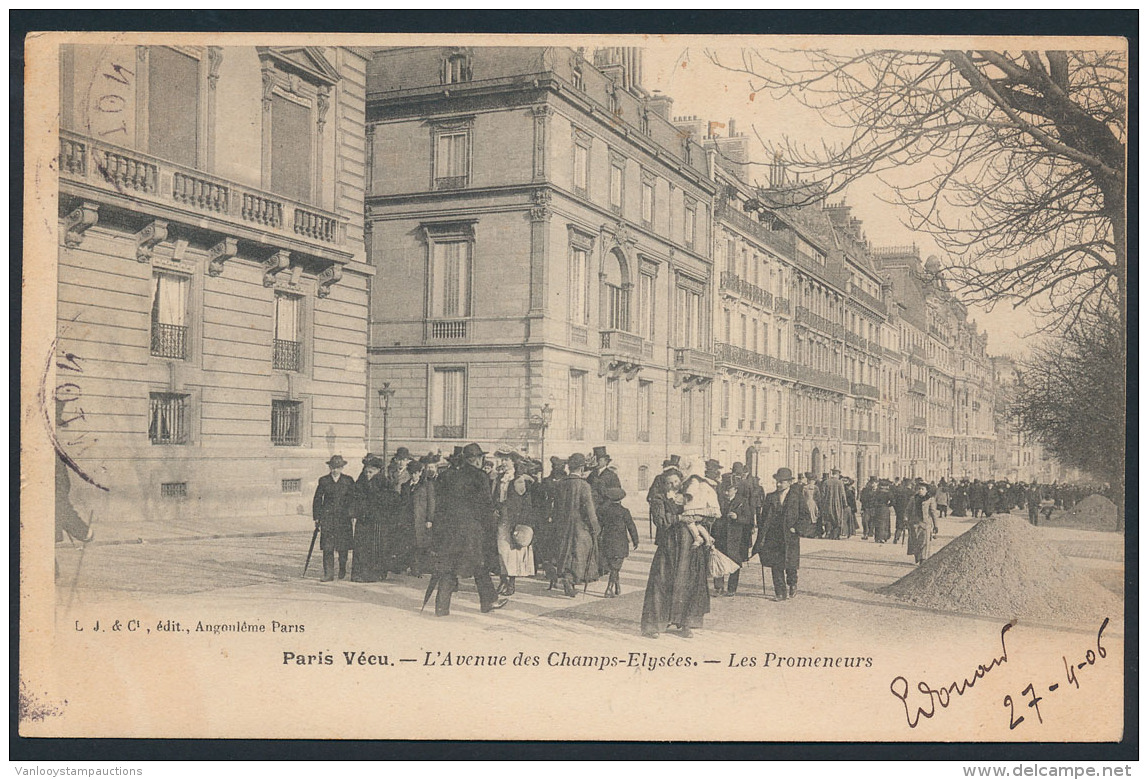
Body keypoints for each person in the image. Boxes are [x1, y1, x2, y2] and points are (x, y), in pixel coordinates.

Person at [429, 443, 507, 616]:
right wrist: (490, 529)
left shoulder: (448, 476)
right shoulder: (480, 477)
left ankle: (441, 607)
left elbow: (440, 506)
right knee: (480, 566)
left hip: (450, 531)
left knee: (449, 568)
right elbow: (486, 507)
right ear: (477, 460)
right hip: (472, 532)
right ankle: (489, 601)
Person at [640, 469, 709, 639]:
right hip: (669, 546)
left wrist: (700, 517)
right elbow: (661, 521)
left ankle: (685, 623)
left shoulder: (689, 496)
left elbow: (705, 513)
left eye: (676, 482)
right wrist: (680, 519)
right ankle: (653, 625)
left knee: (689, 583)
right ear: (663, 484)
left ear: (681, 481)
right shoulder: (658, 499)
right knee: (661, 583)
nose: (673, 486)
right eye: (669, 483)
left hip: (689, 548)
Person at [752, 467, 812, 601]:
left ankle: (792, 583)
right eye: (777, 481)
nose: (778, 484)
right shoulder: (770, 497)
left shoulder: (797, 497)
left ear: (789, 483)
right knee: (775, 565)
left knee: (790, 565)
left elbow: (805, 516)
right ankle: (780, 592)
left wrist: (796, 529)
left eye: (782, 482)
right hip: (774, 536)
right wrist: (762, 533)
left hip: (789, 536)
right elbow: (763, 517)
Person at [551, 452, 601, 597]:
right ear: (581, 468)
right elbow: (590, 510)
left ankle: (567, 577)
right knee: (580, 552)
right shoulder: (584, 485)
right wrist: (595, 527)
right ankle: (572, 579)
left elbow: (556, 507)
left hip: (562, 524)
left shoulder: (561, 484)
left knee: (565, 551)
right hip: (580, 526)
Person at [493, 454, 535, 597]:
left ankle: (511, 582)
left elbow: (523, 503)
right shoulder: (499, 478)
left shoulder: (519, 479)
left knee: (513, 552)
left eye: (506, 460)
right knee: (501, 551)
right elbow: (495, 497)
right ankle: (503, 579)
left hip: (514, 520)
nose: (503, 462)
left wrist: (521, 522)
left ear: (513, 462)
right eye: (502, 460)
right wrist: (495, 509)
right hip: (501, 518)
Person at [312, 454, 356, 582]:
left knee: (343, 547)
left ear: (342, 468)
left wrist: (352, 513)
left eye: (338, 467)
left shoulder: (348, 480)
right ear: (329, 467)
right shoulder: (324, 480)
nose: (335, 470)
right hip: (328, 518)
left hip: (343, 518)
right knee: (327, 547)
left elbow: (353, 498)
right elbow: (317, 499)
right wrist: (317, 517)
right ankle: (328, 573)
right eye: (333, 467)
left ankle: (342, 567)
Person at [713, 473, 753, 596]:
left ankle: (731, 589)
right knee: (718, 561)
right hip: (720, 535)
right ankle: (719, 587)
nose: (726, 493)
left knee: (735, 563)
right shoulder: (718, 501)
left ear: (735, 490)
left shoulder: (742, 501)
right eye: (724, 490)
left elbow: (749, 519)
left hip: (736, 537)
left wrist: (737, 517)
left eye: (729, 490)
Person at [351, 455, 387, 582]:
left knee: (374, 546)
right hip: (363, 519)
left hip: (376, 520)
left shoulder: (384, 482)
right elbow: (353, 497)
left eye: (370, 472)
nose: (367, 474)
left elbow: (391, 500)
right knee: (360, 546)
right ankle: (358, 573)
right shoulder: (360, 481)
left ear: (377, 471)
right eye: (366, 471)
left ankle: (374, 574)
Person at [598, 486, 639, 597]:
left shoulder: (604, 511)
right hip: (620, 543)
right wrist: (636, 540)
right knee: (616, 566)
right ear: (621, 499)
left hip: (607, 541)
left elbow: (599, 526)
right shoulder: (624, 511)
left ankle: (617, 586)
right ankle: (609, 588)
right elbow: (631, 526)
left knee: (613, 565)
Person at [679, 461, 723, 549]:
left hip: (699, 507)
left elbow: (691, 490)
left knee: (689, 520)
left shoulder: (695, 479)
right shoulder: (709, 482)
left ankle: (698, 538)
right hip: (707, 508)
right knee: (698, 524)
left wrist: (686, 496)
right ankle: (708, 538)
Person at [404, 459, 436, 577]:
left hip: (421, 520)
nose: (414, 475)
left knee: (421, 544)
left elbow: (431, 503)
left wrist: (429, 519)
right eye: (411, 473)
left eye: (416, 473)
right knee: (410, 543)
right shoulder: (406, 486)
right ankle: (413, 567)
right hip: (408, 520)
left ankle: (420, 568)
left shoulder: (427, 486)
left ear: (420, 473)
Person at [905, 482, 939, 565]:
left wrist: (936, 525)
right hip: (914, 523)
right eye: (919, 489)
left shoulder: (930, 499)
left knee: (925, 542)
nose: (920, 491)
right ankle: (917, 556)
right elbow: (908, 510)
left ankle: (923, 558)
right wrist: (905, 519)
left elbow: (933, 512)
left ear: (926, 491)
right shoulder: (913, 498)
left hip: (925, 524)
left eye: (922, 489)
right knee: (915, 541)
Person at [820, 468, 849, 540]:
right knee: (837, 517)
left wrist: (822, 504)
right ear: (838, 474)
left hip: (827, 503)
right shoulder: (840, 483)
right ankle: (835, 535)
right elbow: (843, 494)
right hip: (837, 504)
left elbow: (822, 494)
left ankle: (828, 533)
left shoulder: (826, 482)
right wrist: (845, 503)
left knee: (828, 518)